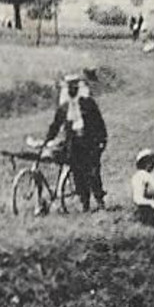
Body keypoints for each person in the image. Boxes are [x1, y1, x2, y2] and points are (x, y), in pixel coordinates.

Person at [44, 72, 109, 210]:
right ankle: (85, 203)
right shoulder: (65, 106)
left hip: (90, 143)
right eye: (69, 87)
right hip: (74, 145)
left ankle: (99, 200)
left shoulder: (87, 102)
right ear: (66, 88)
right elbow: (56, 124)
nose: (72, 89)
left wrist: (102, 140)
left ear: (78, 87)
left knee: (93, 172)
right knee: (78, 174)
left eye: (74, 86)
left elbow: (99, 122)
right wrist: (48, 139)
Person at [130, 149, 154, 213]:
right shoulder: (139, 176)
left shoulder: (153, 176)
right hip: (143, 212)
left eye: (153, 161)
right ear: (143, 162)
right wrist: (151, 203)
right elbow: (137, 199)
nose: (151, 163)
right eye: (148, 161)